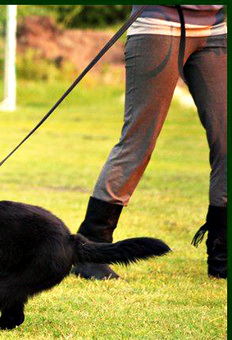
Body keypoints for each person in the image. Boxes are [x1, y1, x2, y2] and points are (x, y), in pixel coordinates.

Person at [72, 5, 227, 280]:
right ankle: (92, 250)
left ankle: (222, 255)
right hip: (159, 24)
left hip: (215, 28)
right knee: (138, 142)